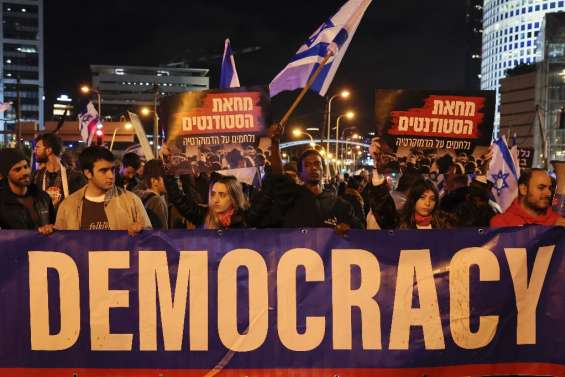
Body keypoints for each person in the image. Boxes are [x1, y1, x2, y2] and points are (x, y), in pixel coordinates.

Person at [55, 146, 151, 235]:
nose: (111, 175)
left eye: (113, 170)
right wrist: (50, 233)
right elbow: (59, 243)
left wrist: (141, 231)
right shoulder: (68, 206)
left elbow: (150, 240)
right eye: (103, 171)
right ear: (88, 173)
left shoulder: (132, 201)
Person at [261, 148, 363, 230]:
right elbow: (279, 176)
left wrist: (349, 229)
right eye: (307, 165)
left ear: (323, 169)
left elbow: (359, 230)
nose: (313, 168)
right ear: (300, 173)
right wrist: (275, 142)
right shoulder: (290, 199)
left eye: (317, 164)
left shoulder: (339, 205)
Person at [165, 173, 251, 229]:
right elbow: (178, 199)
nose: (215, 200)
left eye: (222, 195)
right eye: (213, 194)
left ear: (234, 198)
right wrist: (169, 170)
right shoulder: (203, 215)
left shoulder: (244, 219)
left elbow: (264, 198)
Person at [0, 148, 55, 234]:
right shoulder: (2, 202)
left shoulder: (43, 197)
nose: (25, 172)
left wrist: (50, 228)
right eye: (17, 169)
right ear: (6, 174)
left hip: (42, 246)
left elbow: (55, 226)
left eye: (26, 167)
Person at [490, 168, 565, 227]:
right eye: (541, 188)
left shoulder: (557, 221)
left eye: (549, 188)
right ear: (523, 189)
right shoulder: (501, 223)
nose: (548, 193)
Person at [34, 133, 86, 208]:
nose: (34, 151)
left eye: (37, 147)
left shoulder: (74, 177)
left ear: (49, 150)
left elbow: (82, 204)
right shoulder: (36, 176)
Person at [139, 159, 168, 229]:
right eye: (165, 178)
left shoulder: (139, 197)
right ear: (154, 181)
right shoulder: (157, 202)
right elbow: (162, 233)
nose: (169, 182)